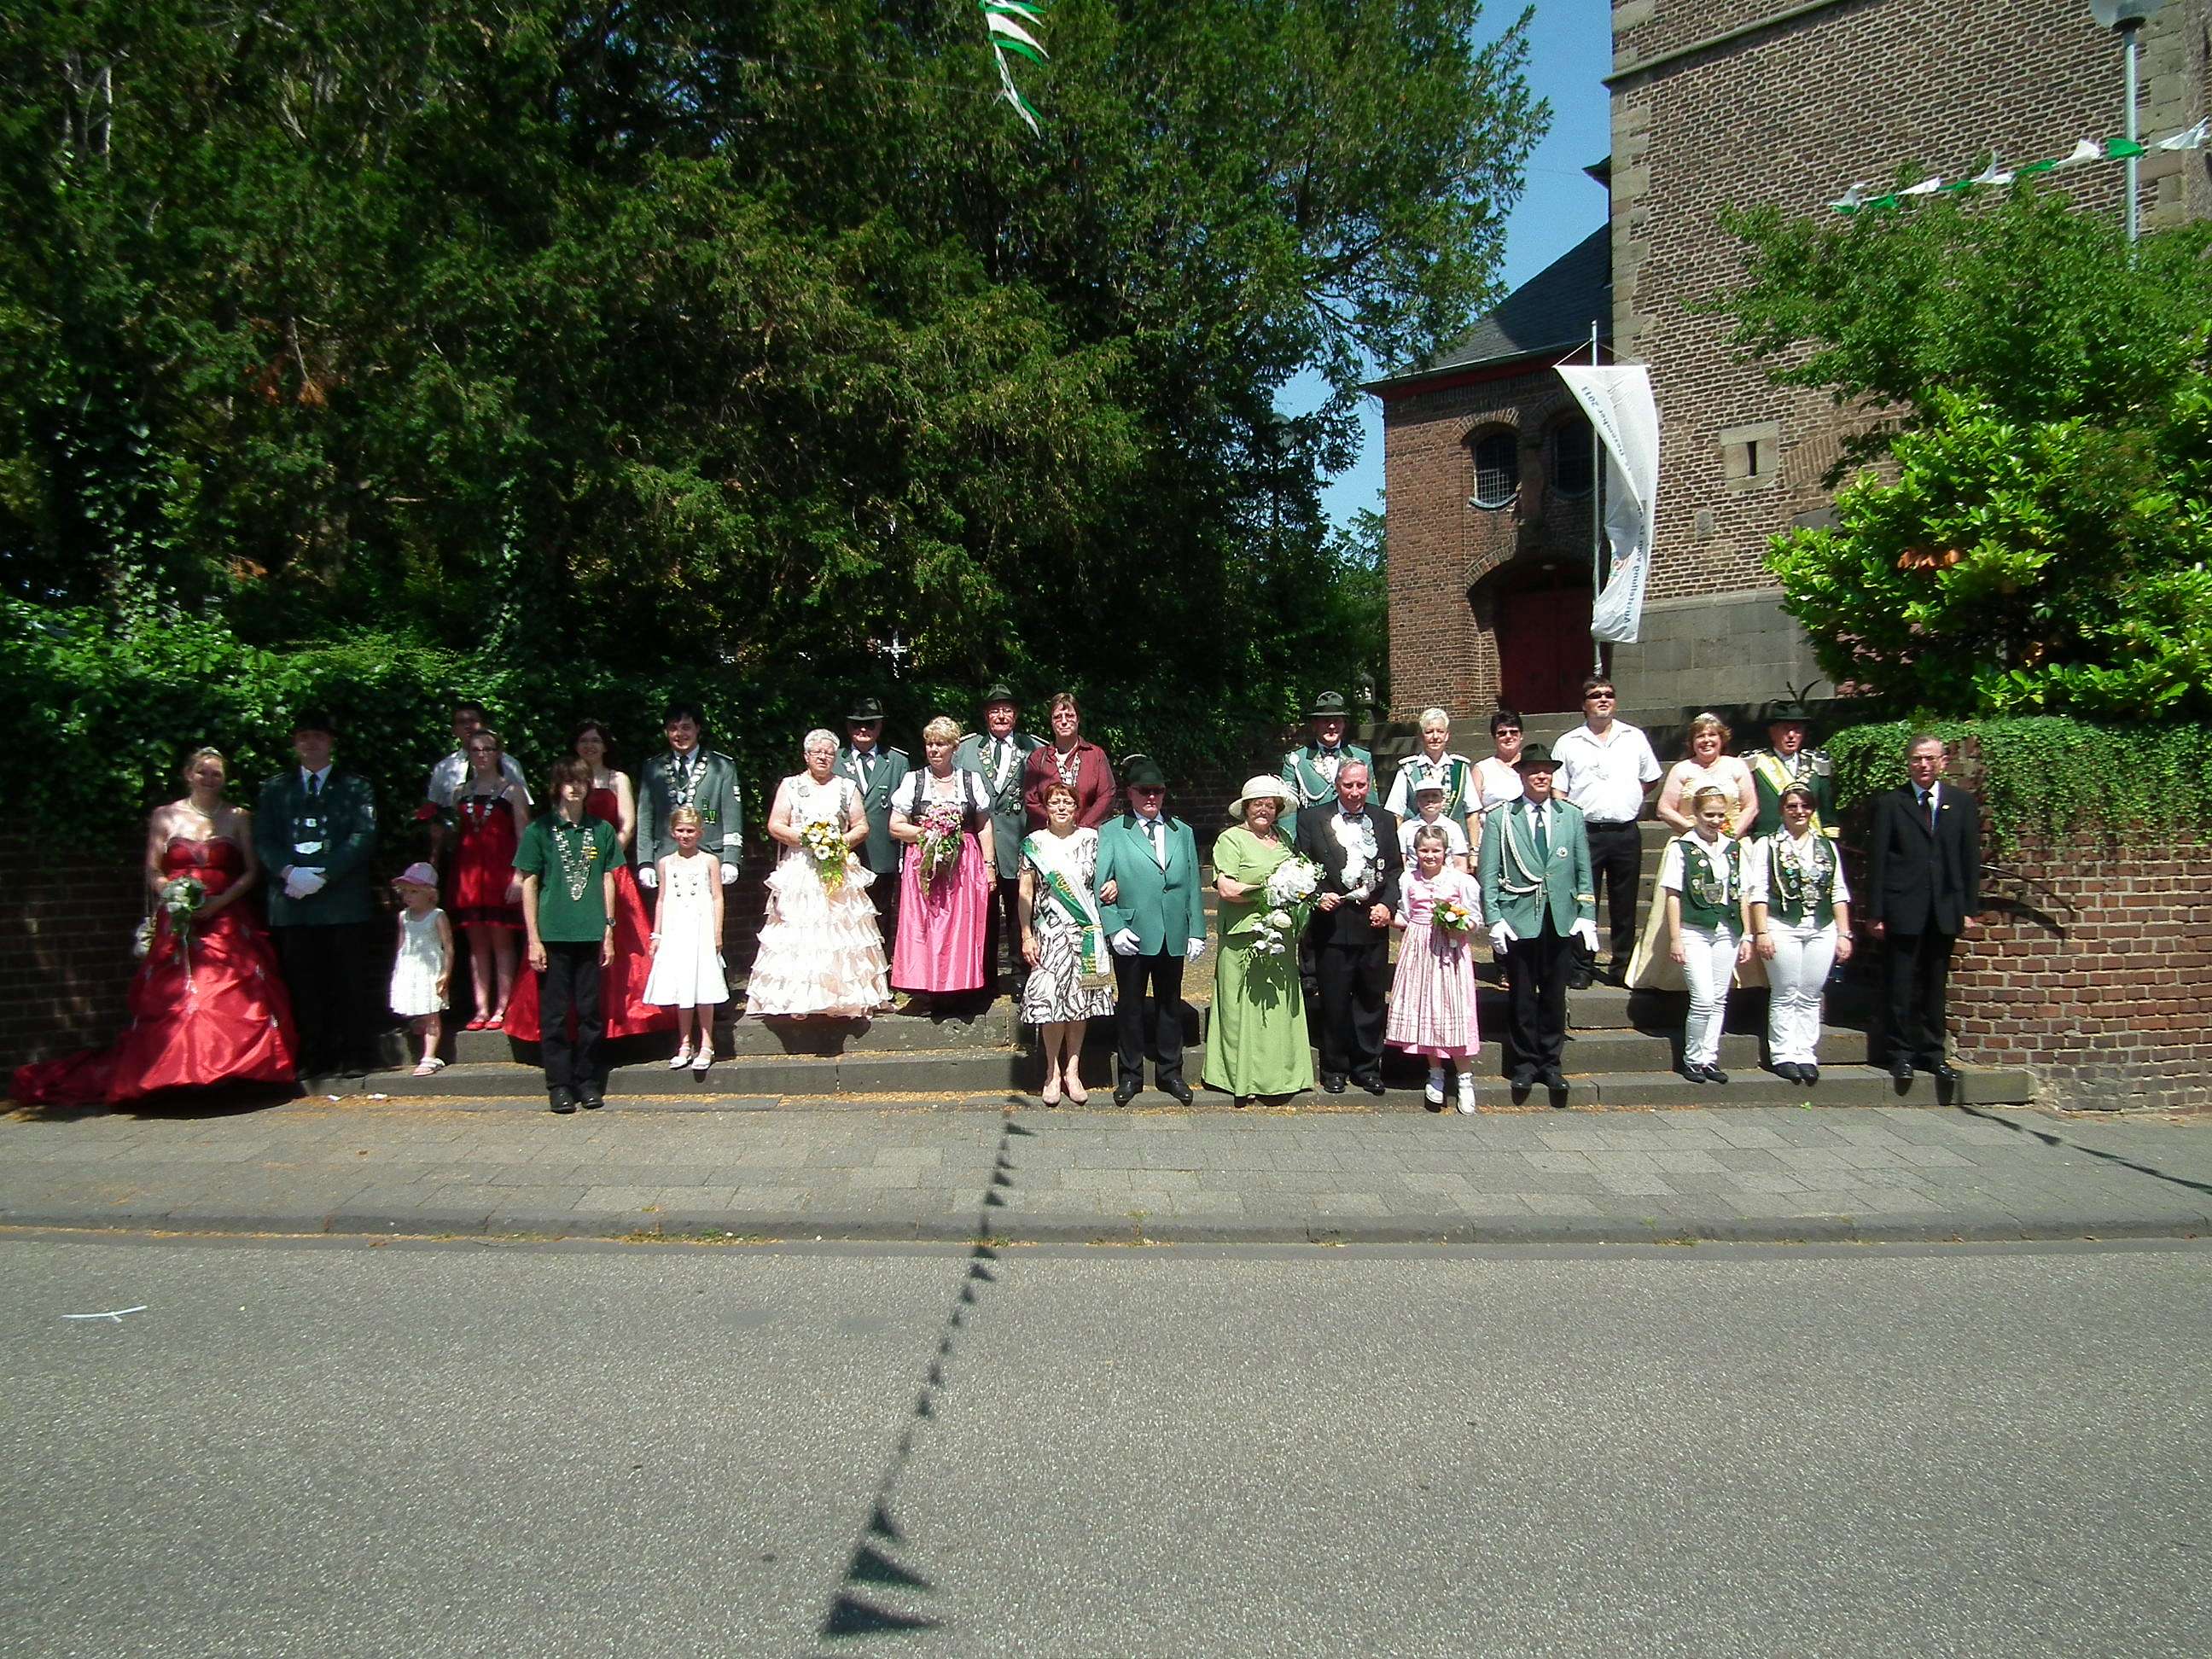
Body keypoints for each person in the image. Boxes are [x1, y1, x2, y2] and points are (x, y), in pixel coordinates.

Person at [14, 748, 298, 1106]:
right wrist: (175, 894)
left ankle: (232, 1075)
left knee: (230, 990)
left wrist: (217, 903)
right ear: (188, 774)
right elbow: (153, 870)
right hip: (180, 917)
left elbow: (251, 871)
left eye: (217, 774)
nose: (210, 779)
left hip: (226, 915)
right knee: (178, 994)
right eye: (203, 772)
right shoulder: (165, 815)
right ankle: (175, 1076)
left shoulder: (238, 816)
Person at [504, 719, 672, 1045]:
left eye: (596, 740)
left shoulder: (617, 778)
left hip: (607, 868)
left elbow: (627, 825)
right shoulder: (567, 781)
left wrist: (603, 859)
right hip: (567, 871)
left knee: (620, 949)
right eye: (584, 740)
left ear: (606, 745)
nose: (590, 746)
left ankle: (619, 1021)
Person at [254, 709, 380, 1080]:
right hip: (293, 904)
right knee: (304, 983)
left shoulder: (356, 787)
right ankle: (314, 1054)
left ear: (331, 743)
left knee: (349, 980)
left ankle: (356, 1052)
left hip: (341, 902)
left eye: (319, 737)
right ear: (295, 743)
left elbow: (363, 835)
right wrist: (289, 871)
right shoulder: (275, 789)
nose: (311, 743)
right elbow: (263, 838)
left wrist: (325, 874)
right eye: (304, 736)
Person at [1477, 743, 1597, 1097]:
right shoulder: (1502, 817)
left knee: (1555, 995)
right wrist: (1494, 918)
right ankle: (1525, 1064)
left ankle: (1551, 1063)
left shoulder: (1570, 815)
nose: (1541, 776)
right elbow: (1489, 871)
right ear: (1522, 775)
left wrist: (1587, 914)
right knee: (1523, 996)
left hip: (1560, 918)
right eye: (1534, 771)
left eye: (1547, 770)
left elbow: (1582, 869)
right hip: (1519, 918)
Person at [746, 730, 892, 1020]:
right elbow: (775, 825)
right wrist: (807, 838)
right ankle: (799, 996)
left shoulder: (846, 787)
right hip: (801, 867)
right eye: (818, 753)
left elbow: (861, 826)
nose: (824, 757)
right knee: (800, 930)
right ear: (806, 756)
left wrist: (837, 842)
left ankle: (844, 994)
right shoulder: (790, 785)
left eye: (829, 753)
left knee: (842, 931)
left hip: (837, 866)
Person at [1866, 734, 1982, 1085]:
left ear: (1943, 762)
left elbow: (1969, 859)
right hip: (1903, 906)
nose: (1924, 765)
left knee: (1935, 985)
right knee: (1901, 984)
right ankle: (1900, 1054)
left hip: (1943, 908)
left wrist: (1968, 908)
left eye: (1930, 759)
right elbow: (1879, 861)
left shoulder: (1960, 803)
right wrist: (1877, 912)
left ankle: (1933, 1054)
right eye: (1917, 759)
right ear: (1909, 763)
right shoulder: (1891, 803)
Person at [1095, 755, 1208, 1106]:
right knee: (1129, 1006)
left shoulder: (1182, 831)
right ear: (1130, 793)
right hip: (1132, 932)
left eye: (1157, 791)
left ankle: (1170, 1072)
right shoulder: (1112, 831)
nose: (1151, 798)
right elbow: (1102, 884)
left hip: (1172, 930)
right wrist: (1114, 929)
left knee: (1169, 1005)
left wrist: (1197, 930)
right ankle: (1130, 1075)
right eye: (1144, 791)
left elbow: (1192, 884)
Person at [1292, 758, 1403, 1096]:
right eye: (1348, 785)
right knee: (1335, 1000)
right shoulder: (1313, 818)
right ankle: (1334, 1068)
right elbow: (1302, 865)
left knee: (1370, 999)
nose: (1355, 792)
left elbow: (1396, 870)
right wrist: (1317, 895)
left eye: (1361, 785)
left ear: (1368, 785)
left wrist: (1388, 904)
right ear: (1337, 785)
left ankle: (1368, 1067)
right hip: (1333, 925)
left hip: (1372, 924)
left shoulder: (1383, 820)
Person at [516, 759, 620, 1113]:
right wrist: (534, 938)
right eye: (568, 782)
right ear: (557, 787)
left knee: (591, 1011)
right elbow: (528, 882)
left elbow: (609, 878)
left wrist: (609, 929)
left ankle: (587, 1080)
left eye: (580, 781)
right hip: (555, 932)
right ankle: (559, 1084)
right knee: (556, 1013)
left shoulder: (602, 829)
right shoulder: (540, 830)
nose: (574, 788)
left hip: (590, 931)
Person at [1203, 777, 1313, 1105]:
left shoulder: (1285, 839)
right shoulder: (1230, 839)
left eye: (1270, 805)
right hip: (1242, 936)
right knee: (1240, 1010)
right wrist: (1271, 889)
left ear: (1278, 810)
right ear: (1246, 808)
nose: (1264, 810)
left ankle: (1280, 1076)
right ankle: (1240, 1077)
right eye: (1258, 804)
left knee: (1277, 1008)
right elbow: (1228, 890)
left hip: (1279, 936)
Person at [1552, 678, 1661, 984]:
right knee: (1583, 902)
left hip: (1625, 832)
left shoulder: (1634, 737)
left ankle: (1621, 967)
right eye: (1595, 695)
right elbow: (1559, 790)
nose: (1603, 699)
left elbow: (1650, 778)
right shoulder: (1569, 742)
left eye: (1609, 694)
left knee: (1624, 905)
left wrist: (1630, 798)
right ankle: (1581, 968)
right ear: (1583, 704)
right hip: (1586, 833)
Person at [1745, 783, 1854, 1085]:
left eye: (1805, 806)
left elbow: (1838, 891)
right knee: (1785, 990)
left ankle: (1805, 1052)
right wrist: (1762, 931)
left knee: (1809, 993)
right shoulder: (1767, 845)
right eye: (1792, 806)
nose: (1799, 812)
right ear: (1782, 810)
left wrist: (1844, 934)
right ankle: (1782, 1054)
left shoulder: (1826, 846)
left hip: (1821, 927)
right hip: (1782, 925)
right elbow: (1758, 892)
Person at [1016, 779, 1118, 1103]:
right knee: (1051, 1002)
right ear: (1046, 808)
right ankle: (1051, 1071)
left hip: (1087, 932)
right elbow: (1026, 892)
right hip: (1048, 933)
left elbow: (1106, 876)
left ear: (1077, 809)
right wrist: (1026, 934)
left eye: (1068, 802)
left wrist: (1113, 883)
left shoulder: (1092, 840)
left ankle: (1073, 1069)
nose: (1061, 807)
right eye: (1055, 802)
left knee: (1080, 1003)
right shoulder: (1033, 843)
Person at [889, 716, 995, 1013]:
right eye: (929, 744)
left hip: (964, 863)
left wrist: (989, 866)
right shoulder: (914, 780)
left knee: (960, 925)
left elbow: (984, 825)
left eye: (941, 744)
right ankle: (927, 991)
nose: (934, 749)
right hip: (924, 865)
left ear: (954, 748)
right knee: (927, 925)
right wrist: (931, 832)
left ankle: (959, 990)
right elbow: (896, 826)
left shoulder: (970, 781)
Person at [1387, 824, 1485, 1114]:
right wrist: (1388, 919)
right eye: (1424, 850)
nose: (1430, 856)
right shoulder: (1409, 880)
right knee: (1425, 1009)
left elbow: (1474, 919)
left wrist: (1457, 924)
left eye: (1435, 851)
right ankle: (1436, 1074)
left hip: (1450, 951)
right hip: (1419, 947)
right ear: (1415, 852)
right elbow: (1405, 915)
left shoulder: (1460, 881)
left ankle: (1465, 1079)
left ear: (1446, 852)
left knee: (1451, 1007)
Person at [1659, 786, 1754, 1086]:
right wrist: (1675, 938)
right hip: (1695, 929)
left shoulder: (1733, 848)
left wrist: (1748, 934)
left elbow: (1744, 895)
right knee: (1702, 998)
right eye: (1708, 815)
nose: (1714, 821)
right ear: (1695, 814)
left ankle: (1709, 1057)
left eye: (1719, 815)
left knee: (1720, 998)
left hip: (1727, 929)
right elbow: (1672, 894)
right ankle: (1692, 1058)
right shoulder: (1681, 847)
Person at [955, 684, 1043, 998]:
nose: (1001, 716)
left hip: (1020, 844)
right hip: (975, 850)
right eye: (995, 710)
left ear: (1016, 715)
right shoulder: (964, 751)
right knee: (981, 916)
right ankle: (982, 978)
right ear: (985, 716)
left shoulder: (1035, 749)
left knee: (1022, 910)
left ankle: (1021, 974)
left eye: (1007, 710)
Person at [446, 727, 530, 1029]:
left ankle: (502, 1005)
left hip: (500, 871)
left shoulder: (512, 791)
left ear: (498, 753)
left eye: (488, 749)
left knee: (502, 940)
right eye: (476, 750)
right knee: (476, 942)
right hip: (469, 874)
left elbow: (523, 835)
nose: (482, 755)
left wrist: (519, 876)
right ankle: (480, 1007)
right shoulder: (460, 792)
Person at [643, 805, 731, 1074]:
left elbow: (717, 896)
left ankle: (707, 1043)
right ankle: (684, 1043)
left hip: (701, 926)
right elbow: (661, 899)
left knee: (703, 984)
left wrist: (717, 931)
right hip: (675, 926)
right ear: (672, 832)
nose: (685, 835)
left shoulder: (709, 861)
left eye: (690, 831)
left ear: (700, 833)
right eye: (680, 831)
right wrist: (657, 933)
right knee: (682, 986)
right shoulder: (666, 863)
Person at [635, 699, 745, 899]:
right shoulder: (653, 767)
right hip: (666, 858)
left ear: (698, 729)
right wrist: (645, 862)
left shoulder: (722, 767)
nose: (680, 734)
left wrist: (731, 859)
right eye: (673, 728)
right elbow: (645, 818)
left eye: (686, 727)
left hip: (710, 858)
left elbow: (731, 816)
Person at [835, 696, 908, 948]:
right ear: (848, 728)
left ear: (880, 727)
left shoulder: (897, 761)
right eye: (857, 725)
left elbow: (904, 810)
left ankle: (882, 972)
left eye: (870, 724)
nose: (863, 730)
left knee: (881, 912)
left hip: (882, 850)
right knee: (845, 912)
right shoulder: (834, 761)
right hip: (843, 851)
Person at [421, 700, 529, 862]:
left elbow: (524, 814)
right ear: (454, 730)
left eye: (473, 721)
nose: (468, 726)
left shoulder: (509, 764)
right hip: (457, 853)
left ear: (484, 724)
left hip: (501, 852)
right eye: (462, 722)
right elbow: (434, 814)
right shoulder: (443, 768)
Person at [387, 862, 453, 1079]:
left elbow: (448, 946)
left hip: (429, 968)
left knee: (432, 1011)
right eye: (405, 892)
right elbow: (402, 944)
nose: (408, 896)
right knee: (414, 1005)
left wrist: (446, 972)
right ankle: (419, 1024)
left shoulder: (437, 916)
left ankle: (430, 1055)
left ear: (429, 893)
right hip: (410, 967)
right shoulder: (403, 917)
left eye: (414, 891)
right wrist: (398, 968)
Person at [1278, 690, 1372, 835]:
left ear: (1344, 724)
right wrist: (1291, 845)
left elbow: (1371, 801)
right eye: (1326, 721)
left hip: (1354, 834)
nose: (1332, 726)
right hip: (1314, 837)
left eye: (1337, 720)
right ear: (1315, 724)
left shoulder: (1362, 756)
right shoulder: (1296, 760)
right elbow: (1288, 809)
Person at [1742, 698, 1837, 839]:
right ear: (1772, 732)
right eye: (1785, 729)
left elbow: (1826, 811)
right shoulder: (1754, 763)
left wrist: (1830, 840)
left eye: (1797, 730)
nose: (1791, 735)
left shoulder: (1816, 762)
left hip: (1811, 843)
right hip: (1769, 843)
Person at [1384, 707, 1480, 847]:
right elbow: (1396, 815)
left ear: (1447, 735)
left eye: (1440, 731)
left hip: (1454, 848)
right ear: (1421, 736)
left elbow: (1472, 813)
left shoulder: (1460, 768)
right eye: (1429, 732)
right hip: (1418, 850)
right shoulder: (1408, 769)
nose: (1435, 737)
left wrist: (1474, 851)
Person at [1021, 692, 1114, 830]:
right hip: (1049, 838)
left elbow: (1107, 795)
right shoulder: (1038, 758)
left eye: (1069, 716)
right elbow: (1031, 800)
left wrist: (1082, 828)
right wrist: (1057, 826)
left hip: (1087, 837)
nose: (1064, 721)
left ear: (1078, 719)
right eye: (1058, 717)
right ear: (1051, 722)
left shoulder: (1095, 755)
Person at [1654, 713, 1757, 834]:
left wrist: (1731, 836)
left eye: (1712, 735)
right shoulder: (1681, 769)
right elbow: (1664, 809)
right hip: (1690, 840)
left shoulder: (1737, 766)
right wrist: (1696, 834)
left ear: (1721, 739)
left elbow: (1751, 806)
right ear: (1692, 742)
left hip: (1733, 839)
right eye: (1700, 736)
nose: (1706, 740)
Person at [1396, 779, 1470, 871]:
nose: (1430, 800)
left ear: (1443, 800)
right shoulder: (1406, 828)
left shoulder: (1453, 827)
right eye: (1424, 796)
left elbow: (1460, 864)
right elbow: (1400, 862)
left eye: (1435, 796)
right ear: (1417, 801)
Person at [1473, 708, 1527, 811]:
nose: (1508, 736)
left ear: (1521, 736)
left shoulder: (1531, 765)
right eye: (1502, 733)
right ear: (1494, 737)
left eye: (1513, 732)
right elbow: (1473, 810)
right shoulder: (1481, 769)